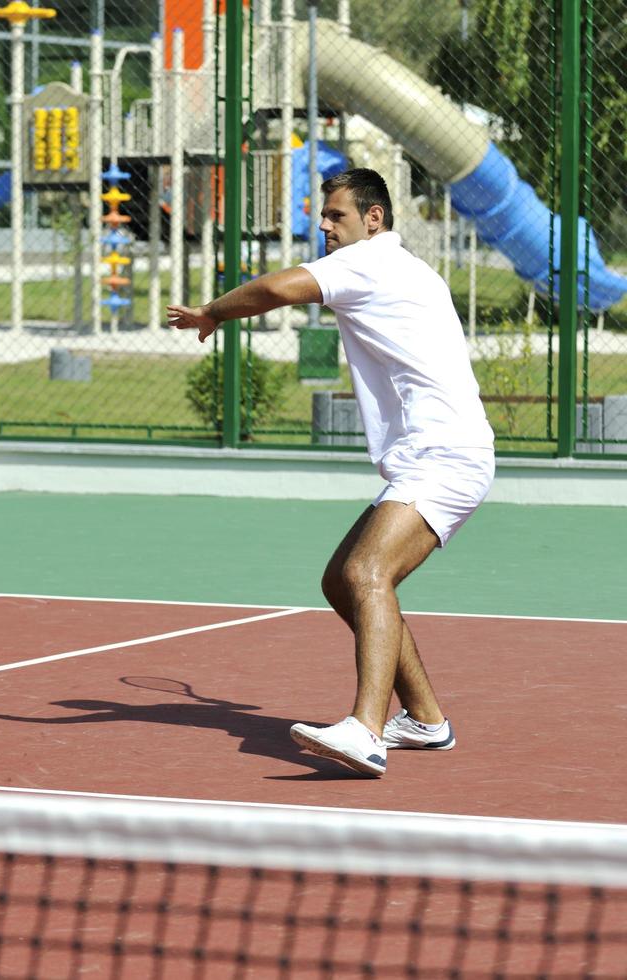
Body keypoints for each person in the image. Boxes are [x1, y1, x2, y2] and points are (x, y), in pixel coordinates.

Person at [166, 168, 494, 777]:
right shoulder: (412, 270)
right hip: (439, 454)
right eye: (323, 215)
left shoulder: (369, 262)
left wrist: (212, 311)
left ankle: (367, 730)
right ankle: (424, 720)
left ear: (374, 219)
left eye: (336, 215)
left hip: (443, 455)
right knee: (342, 582)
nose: (323, 226)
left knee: (366, 571)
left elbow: (276, 289)